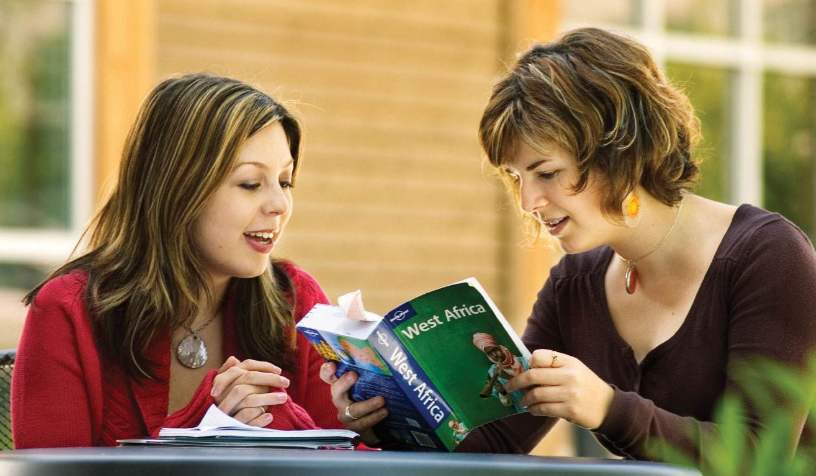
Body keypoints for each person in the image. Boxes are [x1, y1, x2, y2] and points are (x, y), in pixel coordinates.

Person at [320, 28, 816, 462]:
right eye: (517, 178)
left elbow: (762, 455)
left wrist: (607, 408)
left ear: (620, 152)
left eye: (548, 172)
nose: (528, 201)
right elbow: (499, 441)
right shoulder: (575, 285)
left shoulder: (768, 257)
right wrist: (386, 418)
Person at [12, 73, 341, 448]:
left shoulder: (295, 299)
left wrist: (372, 421)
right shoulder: (68, 310)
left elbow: (349, 454)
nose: (279, 205)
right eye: (250, 183)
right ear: (179, 188)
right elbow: (54, 470)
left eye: (284, 182)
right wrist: (205, 431)